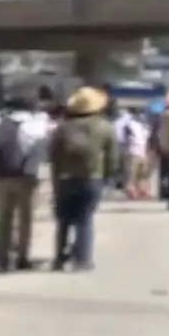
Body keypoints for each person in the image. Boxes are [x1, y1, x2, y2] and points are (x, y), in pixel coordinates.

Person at [49, 86, 117, 271]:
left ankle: (59, 258)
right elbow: (112, 156)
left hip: (65, 178)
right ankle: (83, 259)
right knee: (84, 220)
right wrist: (110, 178)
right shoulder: (105, 126)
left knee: (63, 221)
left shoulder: (63, 127)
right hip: (92, 178)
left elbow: (53, 155)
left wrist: (55, 180)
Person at [0, 94, 49, 271]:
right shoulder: (37, 125)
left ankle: (2, 254)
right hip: (27, 177)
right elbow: (42, 152)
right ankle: (23, 257)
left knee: (3, 216)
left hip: (2, 175)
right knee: (25, 218)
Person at [122, 111, 151, 199]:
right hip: (133, 151)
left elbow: (147, 139)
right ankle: (130, 190)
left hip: (143, 152)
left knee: (142, 173)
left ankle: (140, 189)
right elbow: (126, 138)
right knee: (131, 173)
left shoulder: (146, 127)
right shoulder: (130, 125)